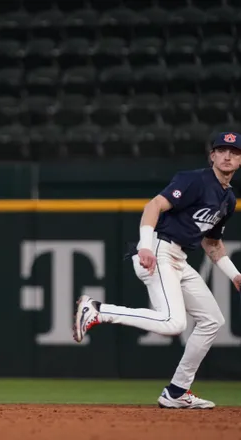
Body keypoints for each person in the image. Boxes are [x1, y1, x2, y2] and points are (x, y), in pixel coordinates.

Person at [74, 132, 241, 409]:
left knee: (212, 320)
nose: (227, 156)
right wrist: (146, 245)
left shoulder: (228, 199)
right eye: (222, 150)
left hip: (179, 259)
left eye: (234, 152)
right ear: (211, 155)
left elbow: (212, 243)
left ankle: (176, 392)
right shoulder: (195, 180)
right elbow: (154, 205)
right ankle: (98, 310)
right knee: (173, 323)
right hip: (159, 251)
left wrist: (235, 275)